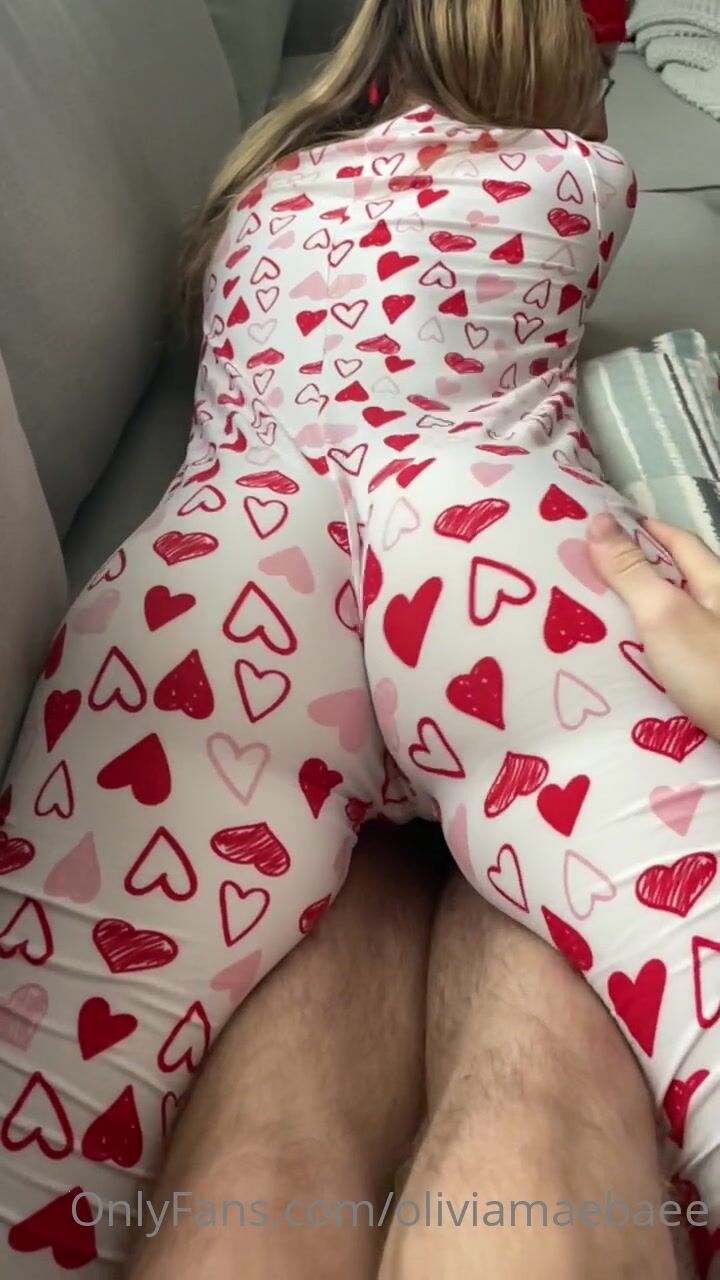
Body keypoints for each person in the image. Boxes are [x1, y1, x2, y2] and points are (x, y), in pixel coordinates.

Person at [0, 0, 712, 1276]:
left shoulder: (256, 194)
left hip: (234, 563)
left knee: (35, 1132)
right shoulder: (583, 175)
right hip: (492, 556)